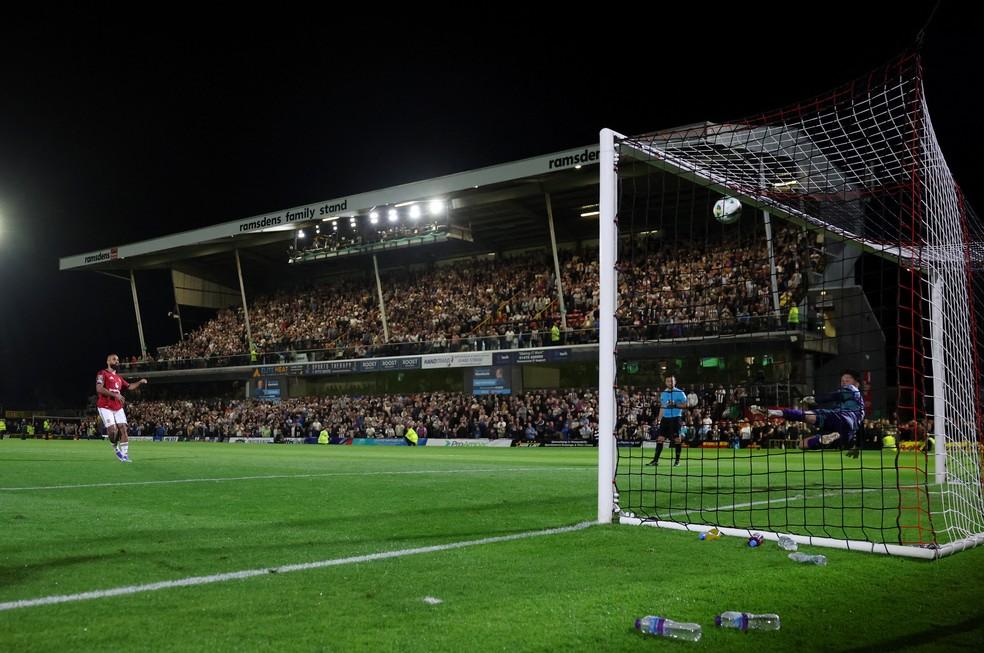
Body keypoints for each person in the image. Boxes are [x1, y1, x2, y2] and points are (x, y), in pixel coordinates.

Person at [751, 370, 864, 456]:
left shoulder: (853, 390)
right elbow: (859, 428)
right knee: (802, 444)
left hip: (840, 418)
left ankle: (772, 412)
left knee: (804, 415)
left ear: (857, 384)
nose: (844, 382)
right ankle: (824, 439)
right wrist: (856, 446)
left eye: (847, 380)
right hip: (846, 433)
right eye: (842, 380)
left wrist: (815, 399)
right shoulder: (860, 408)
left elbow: (833, 396)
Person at [96, 353, 148, 462]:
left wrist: (139, 382)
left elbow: (129, 386)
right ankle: (115, 448)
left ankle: (125, 455)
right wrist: (115, 394)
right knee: (113, 431)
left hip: (117, 407)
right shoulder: (102, 373)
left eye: (118, 359)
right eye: (114, 359)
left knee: (123, 428)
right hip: (105, 406)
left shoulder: (119, 378)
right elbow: (99, 388)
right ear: (108, 361)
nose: (117, 361)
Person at [647, 374, 688, 467]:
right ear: (666, 382)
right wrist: (659, 419)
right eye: (668, 381)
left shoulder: (680, 392)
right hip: (665, 419)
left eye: (672, 381)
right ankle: (655, 461)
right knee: (660, 439)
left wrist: (676, 405)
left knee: (677, 439)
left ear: (675, 382)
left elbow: (686, 405)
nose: (670, 383)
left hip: (676, 418)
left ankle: (677, 461)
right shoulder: (664, 393)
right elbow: (662, 407)